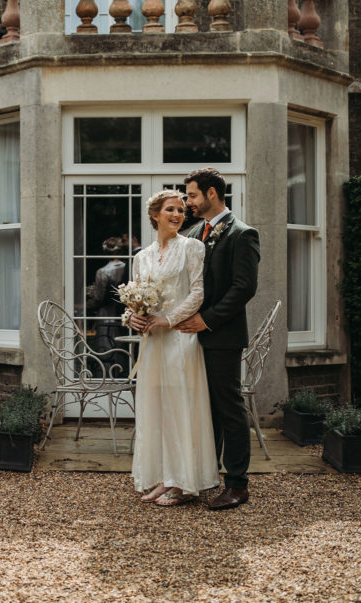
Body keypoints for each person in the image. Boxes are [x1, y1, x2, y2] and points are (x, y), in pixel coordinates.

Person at [175, 167, 260, 511]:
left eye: (192, 195)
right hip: (187, 336)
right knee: (201, 409)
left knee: (228, 407)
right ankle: (203, 476)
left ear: (212, 194)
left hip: (222, 336)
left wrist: (206, 320)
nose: (187, 202)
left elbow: (244, 288)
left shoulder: (242, 234)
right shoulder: (193, 231)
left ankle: (237, 484)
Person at [127, 190, 219, 506]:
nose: (178, 215)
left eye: (181, 210)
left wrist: (168, 319)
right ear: (155, 215)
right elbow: (135, 297)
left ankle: (183, 482)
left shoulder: (192, 248)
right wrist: (132, 318)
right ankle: (161, 478)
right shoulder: (142, 256)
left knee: (180, 407)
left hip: (181, 338)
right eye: (170, 209)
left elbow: (198, 293)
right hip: (153, 343)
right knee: (156, 409)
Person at [85, 236, 128, 362]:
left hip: (107, 312)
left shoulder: (103, 272)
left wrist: (85, 305)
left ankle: (107, 372)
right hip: (123, 312)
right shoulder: (127, 267)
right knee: (122, 346)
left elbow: (99, 297)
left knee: (106, 346)